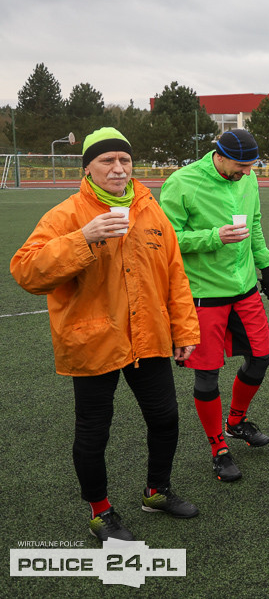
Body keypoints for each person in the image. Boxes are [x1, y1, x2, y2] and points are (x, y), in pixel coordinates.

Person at [10, 127, 200, 542]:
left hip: (149, 337)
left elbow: (175, 275)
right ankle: (100, 511)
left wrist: (185, 329)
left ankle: (156, 491)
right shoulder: (66, 215)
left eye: (124, 160)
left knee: (166, 418)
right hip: (93, 339)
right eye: (107, 161)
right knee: (94, 430)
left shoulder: (151, 209)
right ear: (88, 168)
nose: (118, 168)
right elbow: (26, 271)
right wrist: (84, 238)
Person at [160, 128, 269, 482]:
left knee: (262, 356)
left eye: (251, 166)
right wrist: (213, 237)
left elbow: (254, 224)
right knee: (207, 373)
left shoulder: (248, 178)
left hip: (244, 289)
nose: (246, 172)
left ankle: (236, 422)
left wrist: (266, 265)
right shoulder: (182, 182)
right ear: (219, 155)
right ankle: (218, 449)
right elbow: (166, 240)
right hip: (203, 294)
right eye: (241, 165)